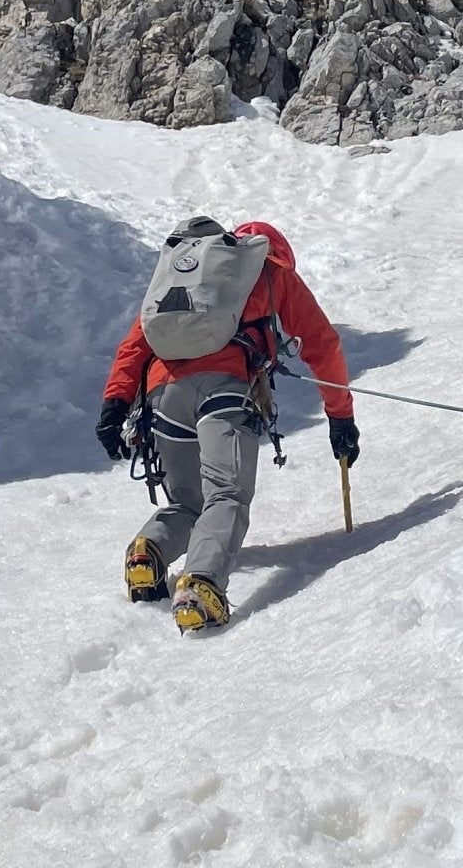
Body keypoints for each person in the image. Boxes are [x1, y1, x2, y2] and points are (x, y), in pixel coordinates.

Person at [96, 217, 359, 631]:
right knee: (227, 494)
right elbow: (323, 346)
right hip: (225, 390)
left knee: (189, 503)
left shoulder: (186, 279)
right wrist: (340, 416)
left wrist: (114, 405)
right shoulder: (272, 272)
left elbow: (135, 345)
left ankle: (150, 552)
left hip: (163, 396)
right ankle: (201, 584)